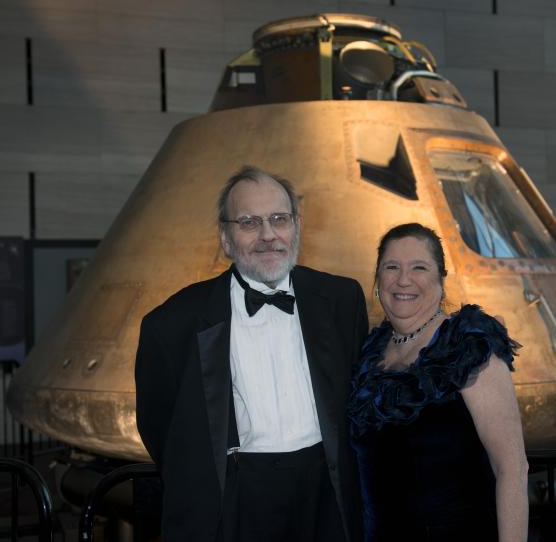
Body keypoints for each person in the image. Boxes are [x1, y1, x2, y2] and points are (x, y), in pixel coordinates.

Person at [135, 166, 368, 542]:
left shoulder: (342, 300)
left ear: (297, 226)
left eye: (279, 219)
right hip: (235, 500)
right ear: (226, 238)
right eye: (249, 222)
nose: (268, 235)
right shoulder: (171, 323)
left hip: (327, 492)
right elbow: (159, 426)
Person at [347, 223, 528, 542]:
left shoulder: (467, 346)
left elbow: (512, 470)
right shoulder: (368, 354)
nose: (403, 280)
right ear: (378, 279)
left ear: (441, 280)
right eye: (392, 267)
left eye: (419, 267)